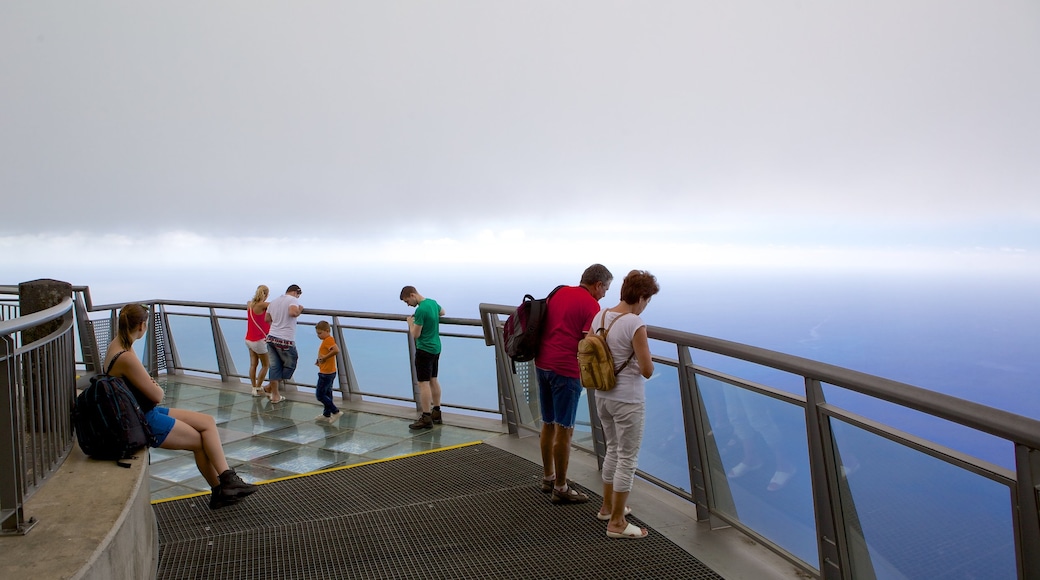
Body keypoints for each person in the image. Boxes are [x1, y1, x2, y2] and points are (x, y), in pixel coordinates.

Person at [106, 303, 257, 509]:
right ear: (142, 325)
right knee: (201, 440)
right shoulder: (126, 356)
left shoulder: (118, 344)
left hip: (141, 410)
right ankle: (221, 489)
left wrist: (149, 382)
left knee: (207, 422)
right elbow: (157, 394)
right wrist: (152, 383)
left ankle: (226, 480)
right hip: (143, 419)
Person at [535, 263, 613, 504]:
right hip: (565, 370)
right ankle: (561, 486)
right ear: (597, 284)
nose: (604, 294)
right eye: (606, 288)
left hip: (542, 363)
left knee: (548, 423)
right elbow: (587, 343)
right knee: (565, 429)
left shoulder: (558, 293)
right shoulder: (591, 305)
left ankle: (548, 477)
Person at [591, 270, 659, 539]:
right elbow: (647, 369)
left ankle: (608, 507)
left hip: (603, 395)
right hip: (628, 399)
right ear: (641, 297)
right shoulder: (635, 323)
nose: (646, 305)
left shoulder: (602, 315)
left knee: (613, 452)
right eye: (647, 299)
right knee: (627, 460)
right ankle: (617, 523)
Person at [400, 285, 445, 430]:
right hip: (436, 347)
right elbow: (442, 312)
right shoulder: (432, 303)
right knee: (433, 379)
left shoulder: (420, 311)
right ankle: (436, 412)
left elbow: (415, 334)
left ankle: (426, 416)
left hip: (424, 349)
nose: (408, 304)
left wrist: (410, 323)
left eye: (407, 301)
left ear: (412, 295)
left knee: (423, 383)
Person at [265, 284, 304, 404]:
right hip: (285, 340)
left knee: (274, 366)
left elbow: (267, 319)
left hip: (271, 337)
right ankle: (271, 387)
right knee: (290, 364)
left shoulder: (274, 301)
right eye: (298, 295)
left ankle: (274, 394)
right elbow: (293, 313)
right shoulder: (293, 300)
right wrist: (300, 309)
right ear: (295, 292)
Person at [314, 320, 343, 423]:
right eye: (317, 333)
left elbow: (336, 350)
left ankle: (335, 411)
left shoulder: (328, 340)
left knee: (320, 395)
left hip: (326, 373)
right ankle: (327, 414)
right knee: (327, 393)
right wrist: (320, 360)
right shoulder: (326, 340)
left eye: (320, 333)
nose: (318, 335)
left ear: (327, 331)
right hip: (328, 371)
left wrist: (324, 358)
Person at [244, 285, 271, 397]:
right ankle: (259, 388)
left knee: (253, 364)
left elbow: (248, 302)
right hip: (259, 340)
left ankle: (253, 387)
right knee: (266, 365)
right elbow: (276, 306)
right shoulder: (263, 305)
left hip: (249, 339)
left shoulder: (250, 304)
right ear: (266, 294)